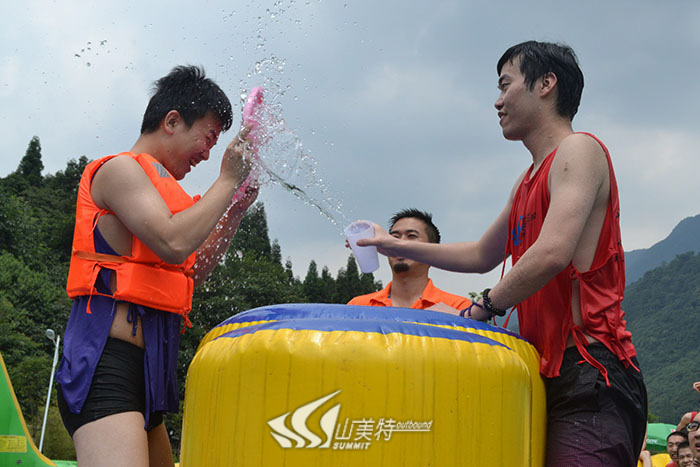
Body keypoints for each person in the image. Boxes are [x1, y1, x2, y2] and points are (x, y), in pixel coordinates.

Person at [357, 40, 647, 465]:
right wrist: (391, 244)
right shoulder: (525, 181)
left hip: (591, 371)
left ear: (545, 84)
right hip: (539, 371)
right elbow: (481, 255)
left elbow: (552, 252)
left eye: (505, 85)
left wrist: (478, 311)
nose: (497, 101)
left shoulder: (579, 150)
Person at [55, 65, 258, 467]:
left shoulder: (167, 196)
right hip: (104, 366)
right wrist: (226, 181)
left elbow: (192, 270)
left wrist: (235, 209)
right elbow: (173, 243)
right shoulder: (119, 170)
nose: (208, 153)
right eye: (207, 138)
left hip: (150, 374)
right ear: (172, 121)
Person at [348, 209, 471, 313]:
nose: (400, 243)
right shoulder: (358, 307)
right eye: (394, 238)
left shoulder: (457, 307)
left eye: (411, 236)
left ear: (433, 250)